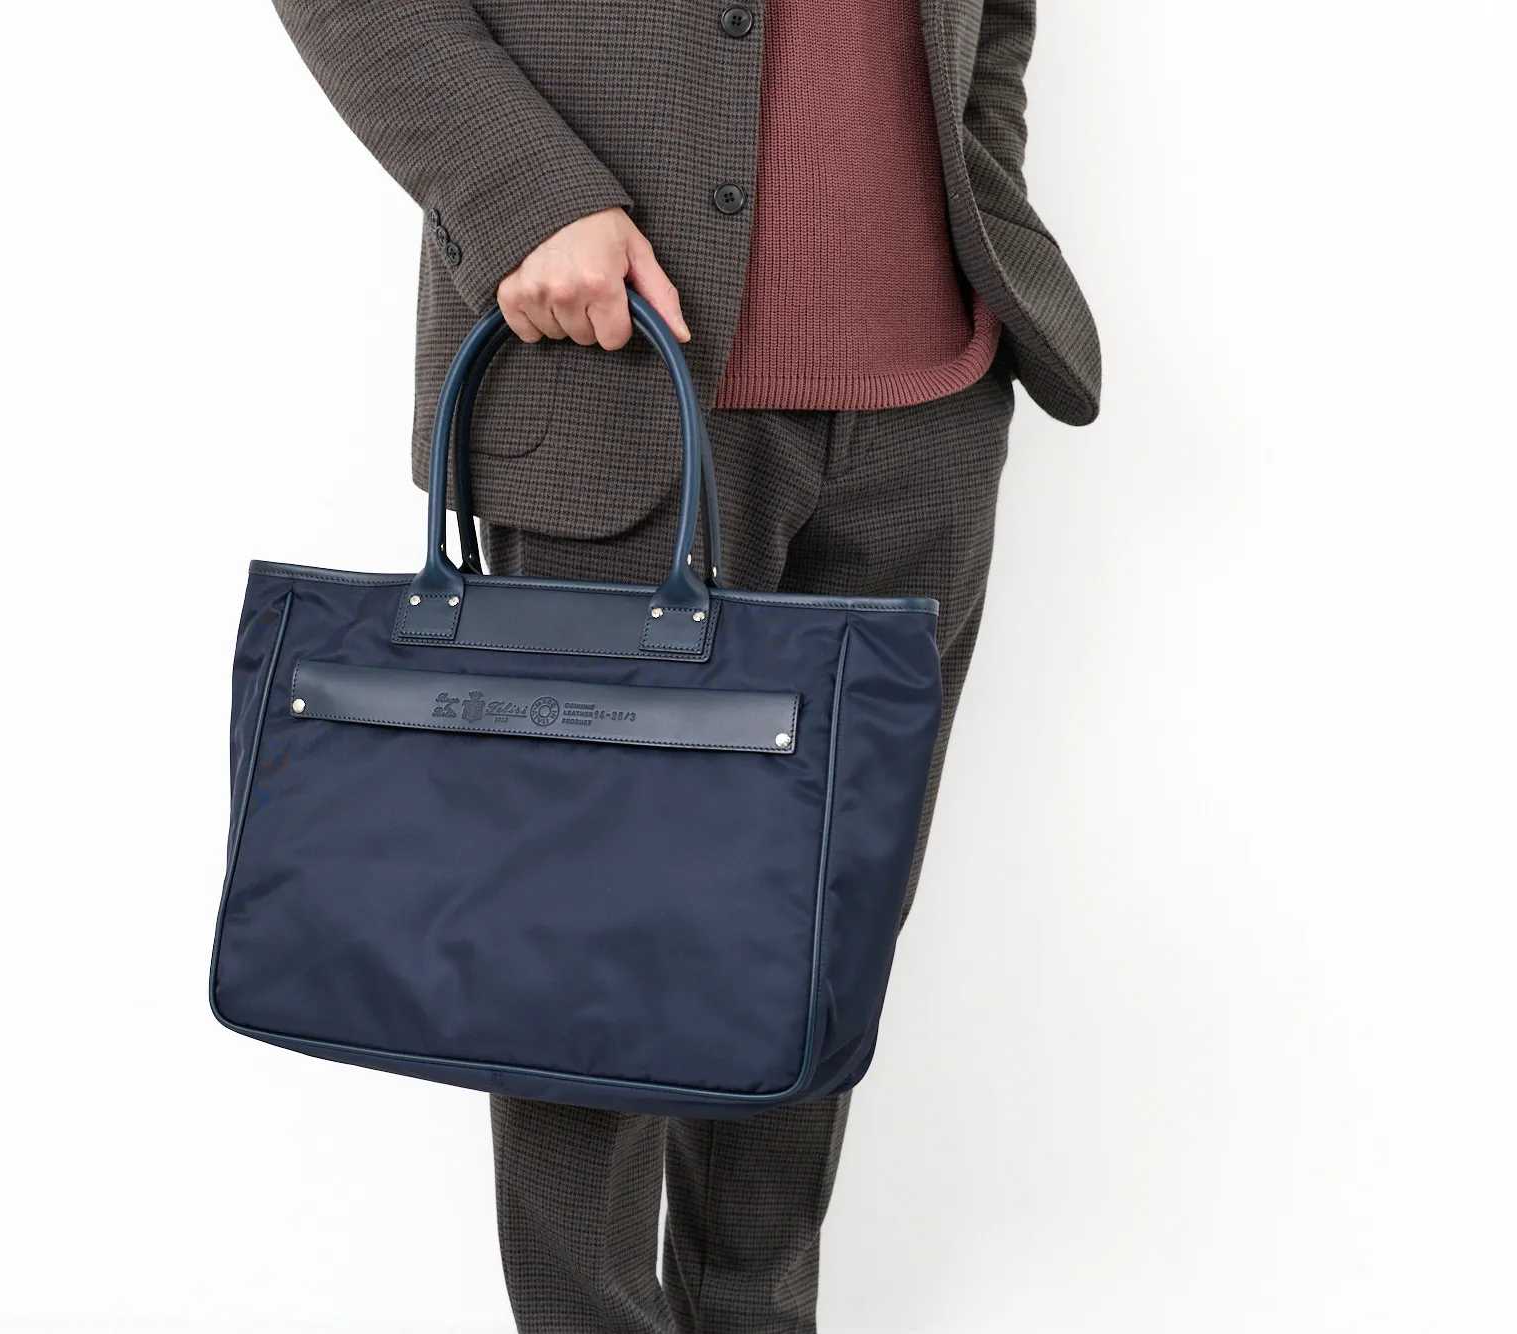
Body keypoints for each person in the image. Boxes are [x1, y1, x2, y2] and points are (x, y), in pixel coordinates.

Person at [269, 2, 1100, 1330]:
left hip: (927, 405)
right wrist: (528, 196)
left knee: (816, 952)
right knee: (578, 963)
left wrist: (979, 193)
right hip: (618, 386)